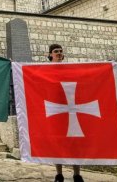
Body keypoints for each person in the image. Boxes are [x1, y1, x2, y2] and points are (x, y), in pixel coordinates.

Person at [48, 44, 83, 182]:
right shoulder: (45, 70)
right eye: (56, 51)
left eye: (61, 51)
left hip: (70, 108)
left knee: (74, 143)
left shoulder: (69, 68)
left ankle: (77, 174)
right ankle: (59, 174)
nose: (59, 53)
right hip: (55, 110)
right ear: (50, 54)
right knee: (57, 143)